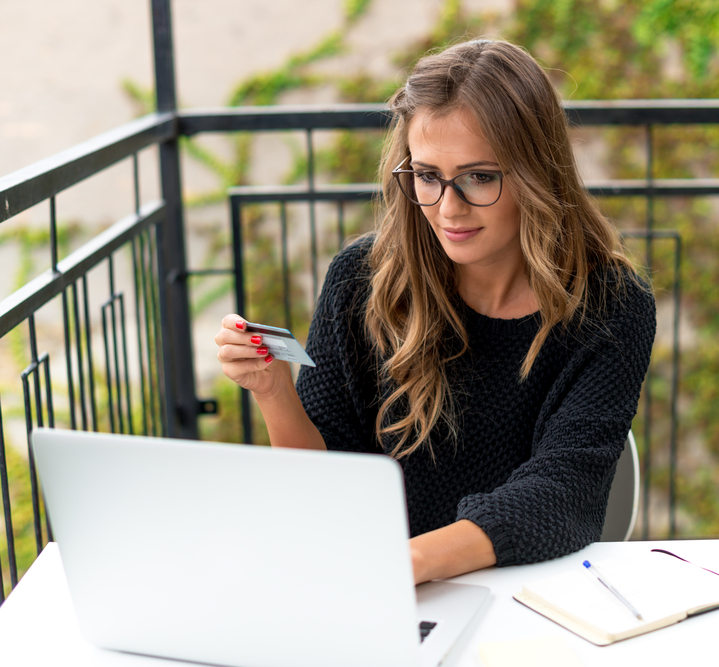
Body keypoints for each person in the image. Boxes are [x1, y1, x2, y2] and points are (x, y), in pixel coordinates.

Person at [215, 39, 656, 584]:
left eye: (480, 177)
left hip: (520, 596)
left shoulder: (612, 306)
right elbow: (325, 487)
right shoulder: (363, 280)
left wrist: (406, 564)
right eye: (426, 176)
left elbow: (565, 491)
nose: (448, 209)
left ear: (536, 172)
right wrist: (273, 391)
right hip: (379, 589)